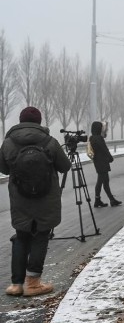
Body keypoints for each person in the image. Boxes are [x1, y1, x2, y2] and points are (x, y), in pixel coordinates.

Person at [0, 107, 71, 296]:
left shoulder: (8, 142)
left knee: (21, 236)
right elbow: (65, 166)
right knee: (40, 236)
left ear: (20, 121)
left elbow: (4, 169)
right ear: (39, 122)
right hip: (46, 199)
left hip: (20, 199)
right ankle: (33, 284)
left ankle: (16, 285)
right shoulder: (50, 141)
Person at [89, 121, 121, 208]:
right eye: (101, 127)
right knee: (101, 181)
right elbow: (104, 149)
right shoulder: (99, 138)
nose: (102, 129)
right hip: (102, 162)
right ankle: (98, 200)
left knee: (105, 181)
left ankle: (111, 199)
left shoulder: (92, 138)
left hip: (98, 162)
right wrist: (110, 157)